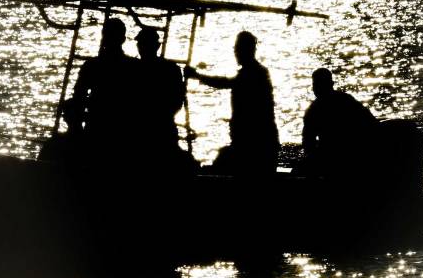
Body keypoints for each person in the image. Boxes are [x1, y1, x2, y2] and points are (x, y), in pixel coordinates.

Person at [185, 31, 279, 175]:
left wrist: (197, 76)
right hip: (250, 145)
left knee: (221, 162)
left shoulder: (254, 74)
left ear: (246, 50)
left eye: (237, 49)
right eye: (235, 49)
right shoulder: (253, 72)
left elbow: (225, 83)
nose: (235, 52)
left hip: (254, 148)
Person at [300, 68, 377, 177]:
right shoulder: (347, 100)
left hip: (338, 157)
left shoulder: (314, 110)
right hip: (350, 156)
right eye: (315, 85)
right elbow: (371, 123)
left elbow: (308, 144)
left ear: (330, 84)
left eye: (318, 85)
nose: (315, 89)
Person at [69, 17, 130, 152]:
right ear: (123, 39)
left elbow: (78, 97)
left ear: (103, 38)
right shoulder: (132, 67)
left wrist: (77, 130)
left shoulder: (92, 65)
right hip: (123, 134)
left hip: (95, 128)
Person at [132, 26, 186, 159]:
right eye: (141, 44)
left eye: (143, 44)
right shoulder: (171, 69)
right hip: (163, 129)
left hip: (144, 131)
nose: (141, 47)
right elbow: (178, 101)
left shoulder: (132, 70)